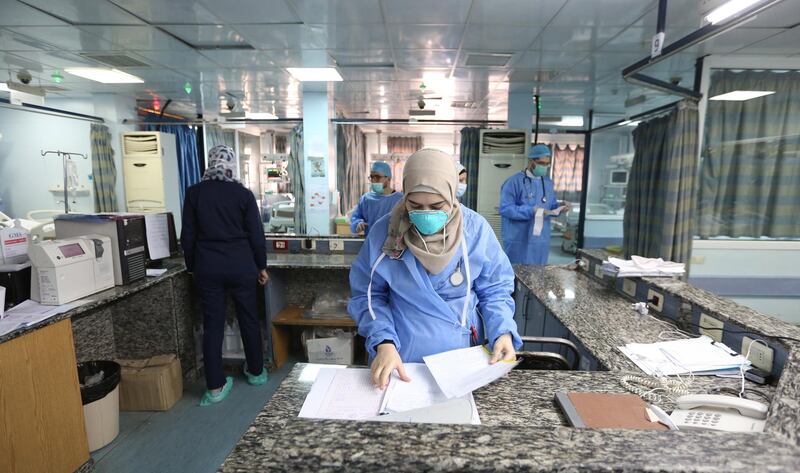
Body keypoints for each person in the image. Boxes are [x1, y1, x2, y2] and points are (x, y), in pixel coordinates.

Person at [348, 149, 521, 389]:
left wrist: (502, 332)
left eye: (437, 205)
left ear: (452, 195)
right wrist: (383, 342)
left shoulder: (475, 231)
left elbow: (495, 290)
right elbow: (368, 295)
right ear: (404, 195)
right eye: (415, 205)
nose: (426, 214)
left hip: (462, 357)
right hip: (400, 356)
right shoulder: (385, 233)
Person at [181, 145, 269, 406]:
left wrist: (192, 266)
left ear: (210, 162)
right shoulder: (243, 194)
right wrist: (261, 266)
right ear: (231, 164)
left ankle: (216, 387)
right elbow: (256, 234)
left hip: (208, 267)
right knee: (249, 319)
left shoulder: (194, 193)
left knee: (213, 326)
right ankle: (255, 372)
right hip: (242, 265)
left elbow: (188, 236)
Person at [499, 144, 568, 265]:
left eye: (547, 164)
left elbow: (549, 206)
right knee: (516, 276)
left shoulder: (547, 183)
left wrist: (560, 207)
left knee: (538, 277)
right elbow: (506, 208)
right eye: (541, 163)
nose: (544, 167)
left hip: (540, 241)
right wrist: (531, 211)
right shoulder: (513, 182)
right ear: (531, 161)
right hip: (518, 240)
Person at [350, 161, 403, 236]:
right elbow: (355, 218)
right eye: (372, 177)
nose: (373, 180)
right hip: (371, 244)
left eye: (377, 177)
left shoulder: (400, 199)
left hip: (392, 245)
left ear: (388, 179)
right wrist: (358, 224)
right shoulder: (366, 199)